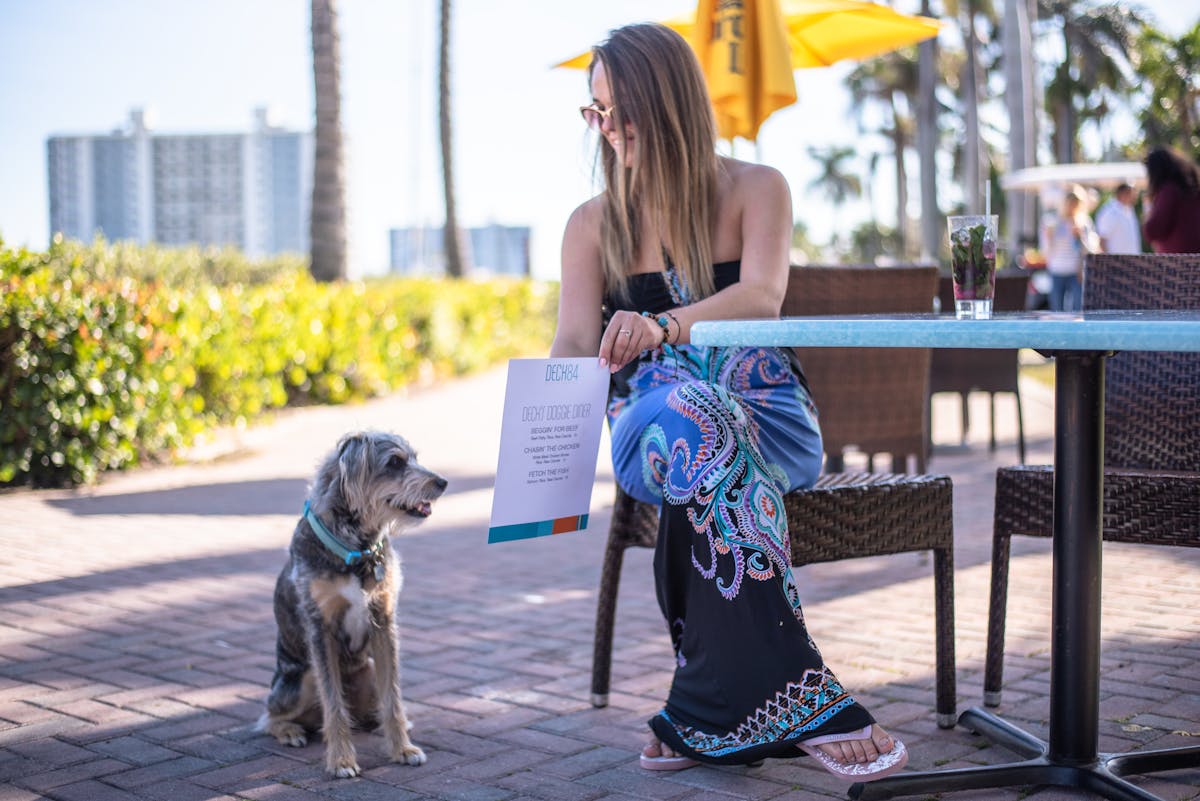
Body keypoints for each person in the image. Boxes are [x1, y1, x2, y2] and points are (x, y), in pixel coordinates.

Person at [550, 23, 907, 781]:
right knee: (697, 421)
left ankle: (701, 711)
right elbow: (574, 343)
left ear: (668, 103)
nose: (607, 131)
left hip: (771, 415)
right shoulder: (590, 226)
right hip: (654, 423)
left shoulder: (757, 188)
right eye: (595, 113)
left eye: (620, 111)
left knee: (715, 432)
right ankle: (800, 694)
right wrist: (538, 423)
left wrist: (662, 325)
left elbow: (763, 295)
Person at [1042, 184, 1095, 311]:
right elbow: (1046, 251)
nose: (1072, 207)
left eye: (1075, 204)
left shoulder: (1084, 223)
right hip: (1056, 271)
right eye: (1070, 203)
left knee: (1077, 310)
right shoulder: (1052, 222)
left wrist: (1080, 237)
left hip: (1075, 273)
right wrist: (1049, 237)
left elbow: (1090, 251)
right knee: (1057, 310)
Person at [1142, 145, 1200, 253]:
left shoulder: (1169, 191)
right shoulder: (1193, 189)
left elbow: (1152, 231)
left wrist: (1148, 210)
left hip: (1177, 263)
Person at [1094, 183, 1142, 254]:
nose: (1135, 197)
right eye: (1132, 194)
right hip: (1116, 261)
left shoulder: (1129, 209)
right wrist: (1108, 260)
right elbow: (1102, 239)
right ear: (1122, 194)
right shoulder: (1109, 212)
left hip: (1131, 260)